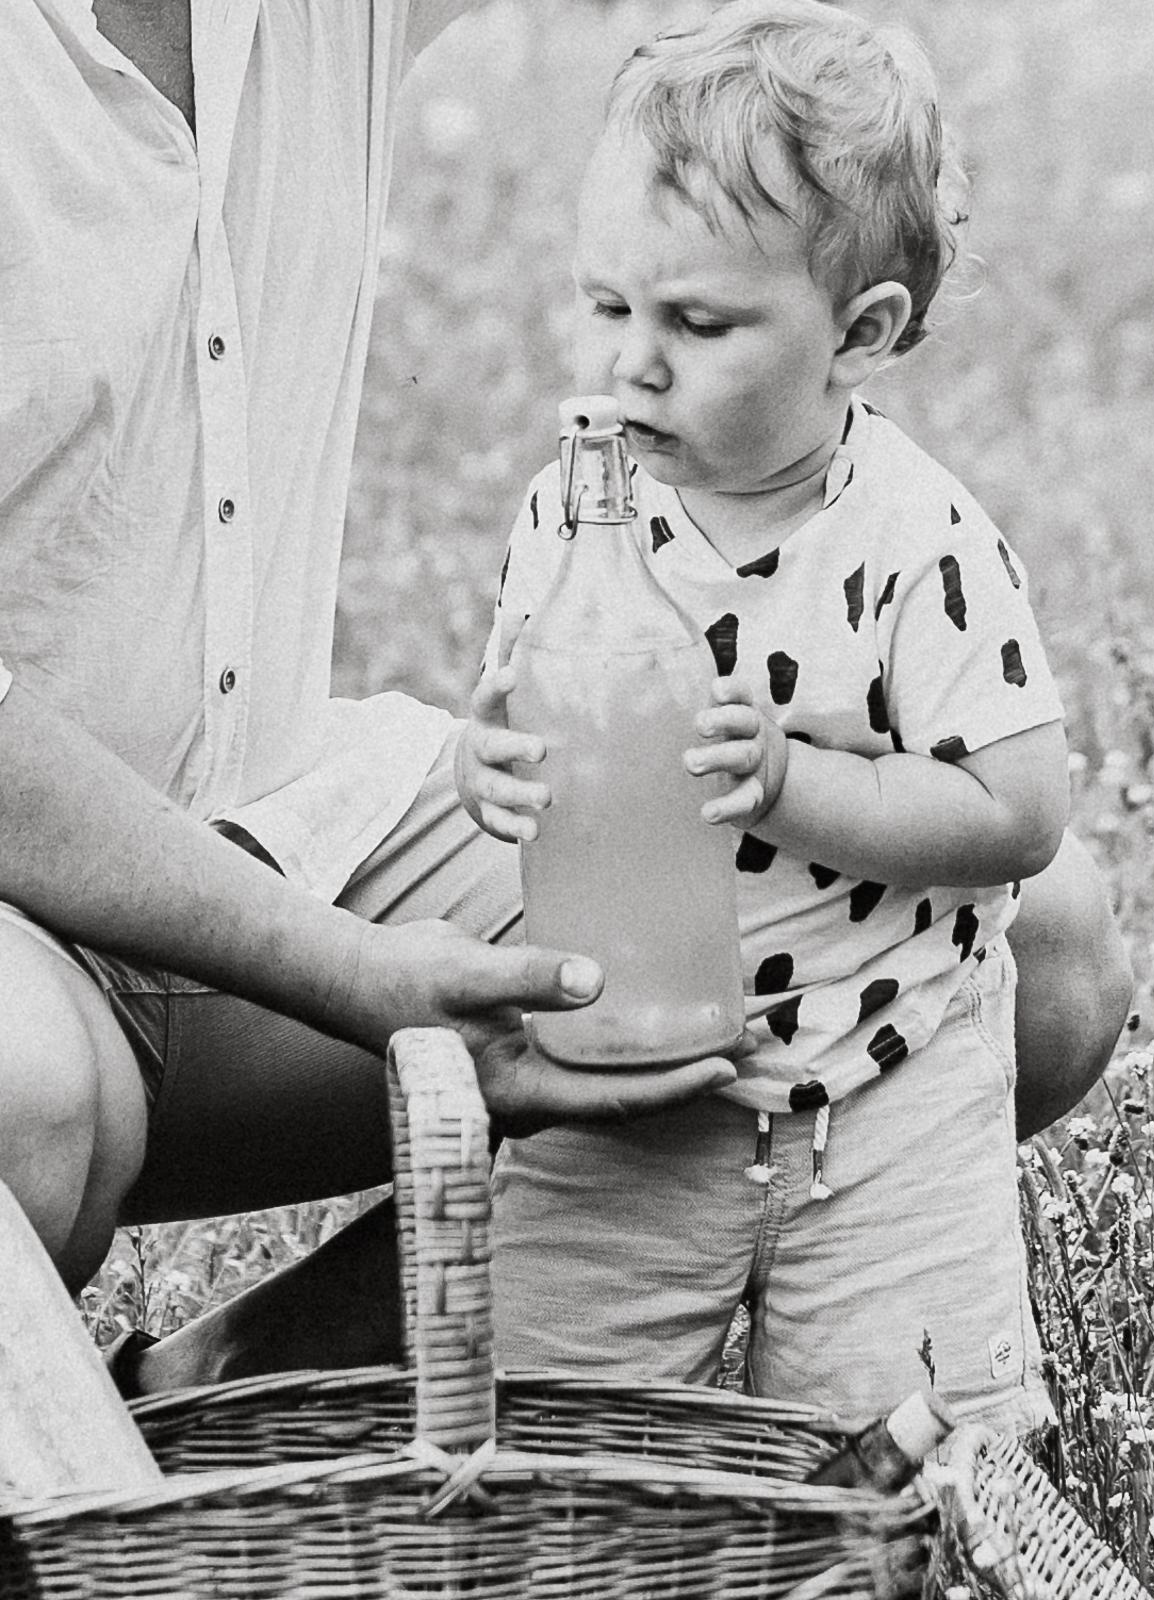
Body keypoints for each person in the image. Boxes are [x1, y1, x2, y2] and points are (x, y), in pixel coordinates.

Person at [0, 0, 744, 1378]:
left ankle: (219, 1406)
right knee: (25, 1103)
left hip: (287, 819)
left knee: (988, 953)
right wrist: (355, 973)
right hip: (25, 951)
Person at [456, 0, 1129, 1432]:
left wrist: (789, 784)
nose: (632, 361)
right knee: (549, 1449)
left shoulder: (914, 542)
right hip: (631, 1075)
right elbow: (517, 717)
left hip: (880, 1095)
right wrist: (488, 769)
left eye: (697, 322)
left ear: (858, 335)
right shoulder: (570, 517)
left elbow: (1019, 817)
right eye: (607, 305)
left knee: (909, 1463)